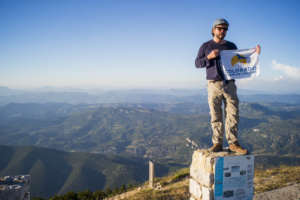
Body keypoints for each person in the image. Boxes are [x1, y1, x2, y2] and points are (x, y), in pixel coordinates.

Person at [195, 19, 261, 155]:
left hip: (230, 84)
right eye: (220, 28)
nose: (222, 31)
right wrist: (209, 57)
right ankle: (217, 143)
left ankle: (233, 143)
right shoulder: (205, 46)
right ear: (213, 29)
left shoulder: (231, 45)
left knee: (233, 113)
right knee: (215, 114)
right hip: (214, 84)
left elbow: (239, 61)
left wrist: (254, 54)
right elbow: (197, 63)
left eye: (225, 29)